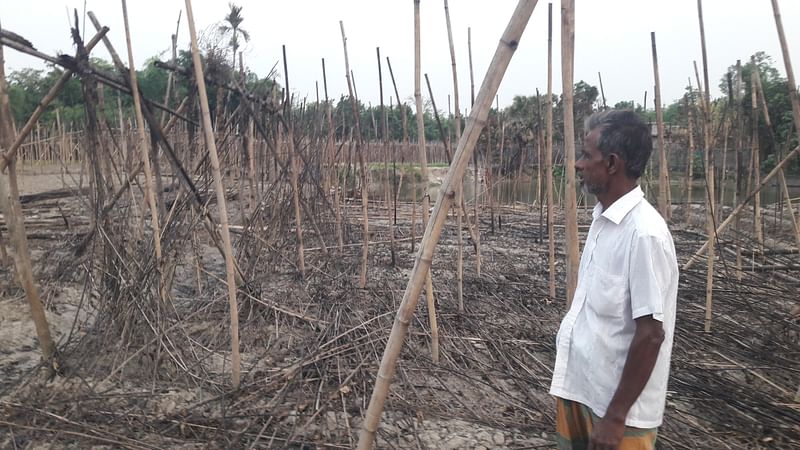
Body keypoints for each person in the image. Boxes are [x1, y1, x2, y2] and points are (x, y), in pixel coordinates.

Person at [549, 110, 679, 450]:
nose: (577, 164)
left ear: (611, 163)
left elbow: (651, 335)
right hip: (582, 390)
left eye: (586, 155)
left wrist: (616, 416)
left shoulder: (644, 235)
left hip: (617, 411)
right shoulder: (602, 221)